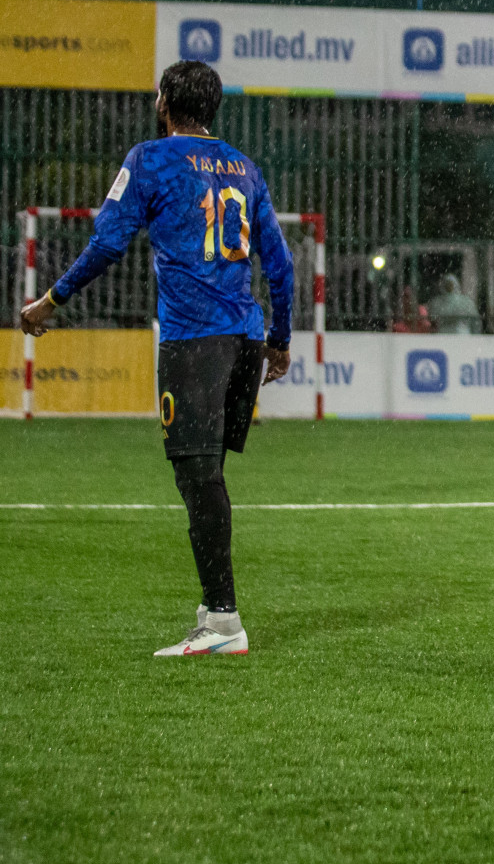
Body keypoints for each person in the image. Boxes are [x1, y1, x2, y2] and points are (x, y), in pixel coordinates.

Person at [19, 60, 294, 657]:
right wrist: (281, 339)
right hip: (245, 338)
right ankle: (214, 612)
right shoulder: (244, 168)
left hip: (195, 340)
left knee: (198, 477)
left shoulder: (149, 159)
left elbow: (109, 241)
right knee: (207, 474)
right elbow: (281, 264)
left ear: (166, 101)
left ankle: (223, 622)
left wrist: (51, 300)